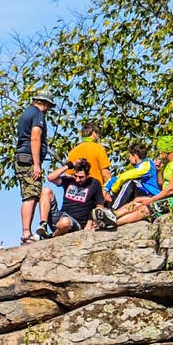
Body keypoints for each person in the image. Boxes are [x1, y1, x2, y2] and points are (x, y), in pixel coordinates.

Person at [115, 135, 173, 225]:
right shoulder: (169, 164)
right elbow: (161, 184)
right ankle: (112, 215)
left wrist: (151, 200)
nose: (159, 154)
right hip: (168, 198)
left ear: (166, 150)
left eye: (160, 151)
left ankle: (115, 223)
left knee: (146, 208)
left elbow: (171, 190)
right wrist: (159, 171)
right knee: (138, 200)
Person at [14, 88, 55, 242]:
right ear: (44, 103)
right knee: (31, 195)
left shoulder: (26, 113)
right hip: (29, 159)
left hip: (22, 156)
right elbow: (35, 138)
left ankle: (26, 232)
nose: (48, 109)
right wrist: (37, 164)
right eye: (49, 106)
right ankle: (26, 233)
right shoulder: (38, 115)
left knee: (29, 194)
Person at [47, 156, 105, 236]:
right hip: (60, 216)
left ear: (88, 175)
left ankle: (53, 236)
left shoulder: (94, 184)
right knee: (46, 191)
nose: (77, 180)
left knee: (65, 222)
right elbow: (50, 177)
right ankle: (43, 224)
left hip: (74, 222)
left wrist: (91, 221)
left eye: (81, 177)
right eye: (75, 176)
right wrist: (69, 165)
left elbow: (99, 206)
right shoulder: (70, 180)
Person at [66, 122, 111, 191]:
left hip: (79, 193)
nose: (98, 136)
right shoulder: (98, 148)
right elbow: (105, 173)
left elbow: (68, 175)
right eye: (97, 133)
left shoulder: (73, 152)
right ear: (93, 133)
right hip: (95, 191)